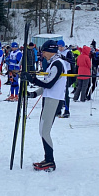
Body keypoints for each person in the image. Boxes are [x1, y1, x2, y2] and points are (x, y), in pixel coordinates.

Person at [22, 40, 68, 172]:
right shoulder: (54, 63)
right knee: (43, 130)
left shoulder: (57, 64)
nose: (42, 54)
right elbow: (48, 85)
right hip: (50, 99)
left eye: (44, 51)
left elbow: (49, 84)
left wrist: (32, 79)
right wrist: (33, 94)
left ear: (50, 51)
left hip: (54, 100)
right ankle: (48, 159)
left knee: (44, 131)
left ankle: (50, 161)